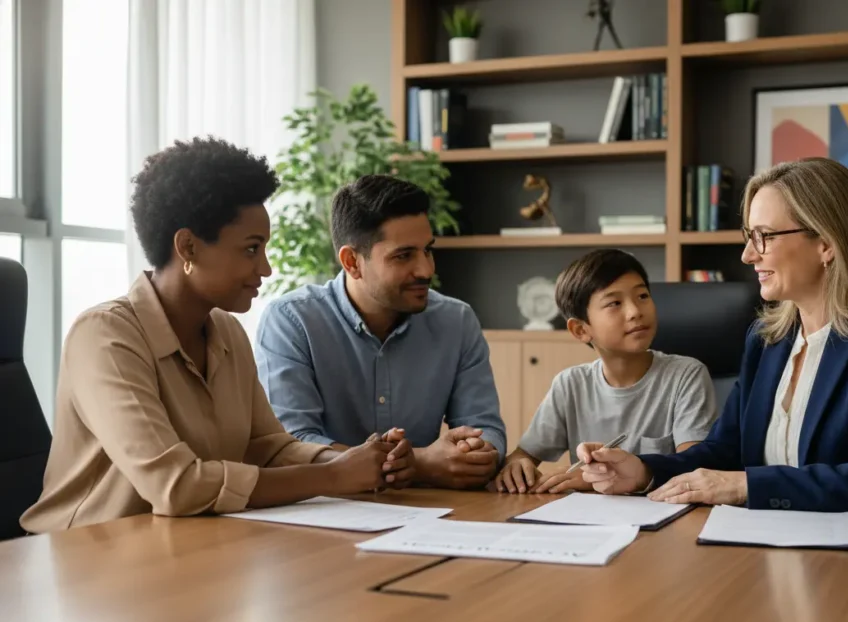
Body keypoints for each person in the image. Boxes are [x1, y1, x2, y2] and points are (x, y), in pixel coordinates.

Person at [20, 138, 413, 534]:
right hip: (83, 561)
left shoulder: (225, 330)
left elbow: (267, 447)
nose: (266, 268)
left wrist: (356, 460)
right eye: (251, 249)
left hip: (181, 549)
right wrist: (334, 478)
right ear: (188, 247)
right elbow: (175, 486)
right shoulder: (104, 337)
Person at [577, 157, 848, 515]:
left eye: (764, 236)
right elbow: (725, 450)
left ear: (826, 243)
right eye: (749, 236)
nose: (748, 254)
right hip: (769, 545)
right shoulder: (769, 338)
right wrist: (643, 471)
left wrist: (744, 486)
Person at [255, 174, 506, 490]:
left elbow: (486, 428)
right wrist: (420, 463)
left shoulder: (456, 321)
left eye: (428, 250)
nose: (426, 270)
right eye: (404, 255)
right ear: (352, 262)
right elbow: (293, 445)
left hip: (427, 514)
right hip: (326, 512)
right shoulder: (293, 321)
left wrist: (477, 451)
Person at [494, 249, 717, 494]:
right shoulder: (570, 384)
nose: (635, 311)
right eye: (614, 303)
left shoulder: (686, 375)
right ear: (580, 330)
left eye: (642, 295)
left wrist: (596, 478)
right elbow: (523, 455)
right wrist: (518, 467)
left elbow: (694, 468)